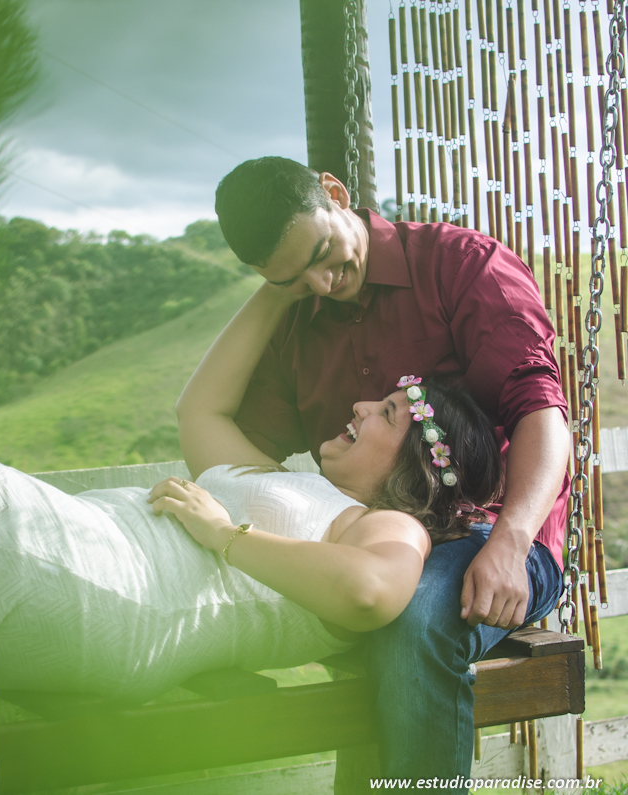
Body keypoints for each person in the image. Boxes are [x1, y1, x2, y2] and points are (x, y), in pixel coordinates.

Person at [0, 276, 503, 793]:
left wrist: (226, 534)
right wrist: (278, 291)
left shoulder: (387, 526)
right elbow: (200, 409)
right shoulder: (294, 480)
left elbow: (372, 591)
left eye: (388, 414)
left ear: (416, 469)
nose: (363, 407)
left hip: (118, 592)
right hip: (87, 540)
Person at [210, 156, 569, 791]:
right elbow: (241, 450)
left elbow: (540, 410)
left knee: (414, 614)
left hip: (494, 537)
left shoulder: (462, 266)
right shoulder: (296, 321)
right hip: (370, 546)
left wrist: (512, 543)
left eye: (323, 252)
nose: (322, 283)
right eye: (293, 280)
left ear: (335, 192)